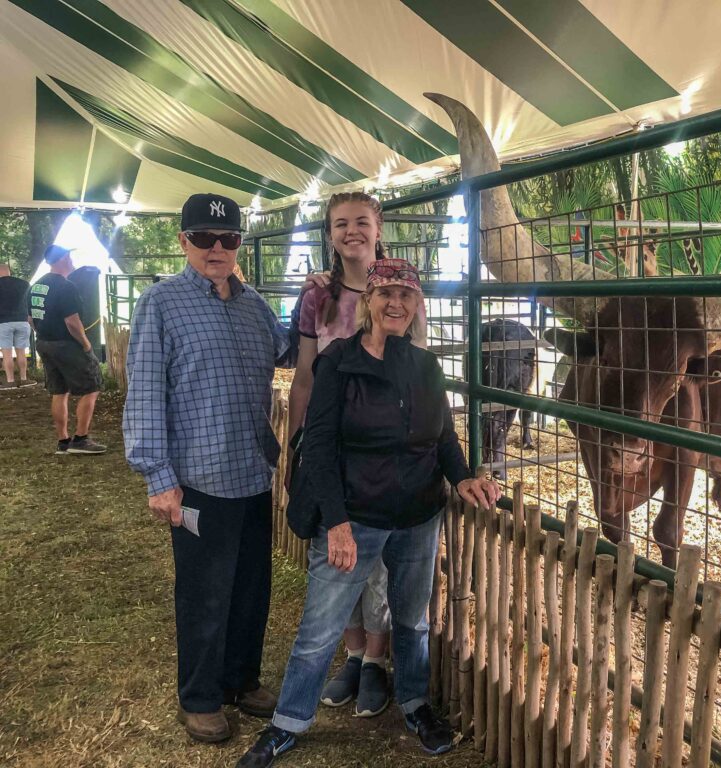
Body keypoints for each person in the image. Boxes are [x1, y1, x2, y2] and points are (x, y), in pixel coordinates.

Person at [236, 259, 498, 767]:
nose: (396, 303)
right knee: (320, 627)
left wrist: (462, 475)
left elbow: (442, 436)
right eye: (386, 294)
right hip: (355, 516)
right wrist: (336, 522)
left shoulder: (425, 366)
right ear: (368, 304)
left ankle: (416, 703)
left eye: (406, 295)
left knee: (411, 619)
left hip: (419, 514)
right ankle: (288, 722)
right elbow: (320, 444)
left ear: (416, 306)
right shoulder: (339, 360)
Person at [123, 192, 327, 744]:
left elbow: (287, 353)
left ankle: (240, 679)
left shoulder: (253, 304)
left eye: (229, 239)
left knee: (250, 587)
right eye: (204, 238)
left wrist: (314, 303)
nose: (217, 249)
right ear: (183, 241)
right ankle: (201, 696)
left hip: (250, 471)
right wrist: (157, 477)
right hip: (196, 479)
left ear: (240, 244)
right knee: (203, 592)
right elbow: (144, 393)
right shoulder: (160, 304)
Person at [290, 192, 425, 718]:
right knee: (335, 555)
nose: (352, 232)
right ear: (329, 234)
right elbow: (304, 375)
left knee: (381, 570)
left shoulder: (402, 293)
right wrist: (301, 446)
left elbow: (416, 369)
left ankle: (374, 660)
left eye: (361, 222)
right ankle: (351, 655)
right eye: (340, 224)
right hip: (332, 450)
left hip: (385, 452)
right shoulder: (317, 298)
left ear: (378, 227)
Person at [29, 246, 105, 453]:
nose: (72, 260)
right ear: (63, 258)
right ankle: (81, 439)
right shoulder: (66, 286)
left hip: (44, 342)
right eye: (69, 256)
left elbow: (31, 319)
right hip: (66, 344)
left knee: (59, 391)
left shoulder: (36, 286)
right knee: (91, 387)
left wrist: (44, 334)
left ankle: (63, 441)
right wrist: (85, 343)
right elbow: (72, 322)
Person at [0, 262, 37, 390]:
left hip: (3, 322)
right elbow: (30, 302)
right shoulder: (24, 284)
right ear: (9, 271)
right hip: (22, 321)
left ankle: (10, 381)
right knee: (21, 352)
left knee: (7, 353)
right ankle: (24, 379)